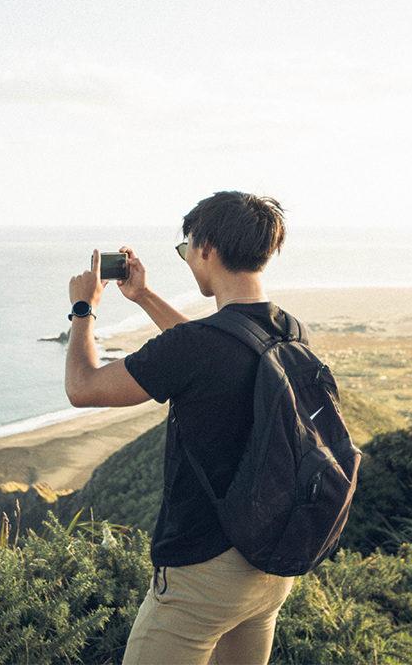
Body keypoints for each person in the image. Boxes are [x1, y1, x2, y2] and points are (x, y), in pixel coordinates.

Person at [66, 191, 297, 665]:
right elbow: (211, 344)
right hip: (272, 564)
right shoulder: (288, 331)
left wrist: (83, 309)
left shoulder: (198, 348)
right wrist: (143, 295)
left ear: (205, 248)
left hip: (203, 577)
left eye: (186, 246)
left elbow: (82, 387)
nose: (187, 256)